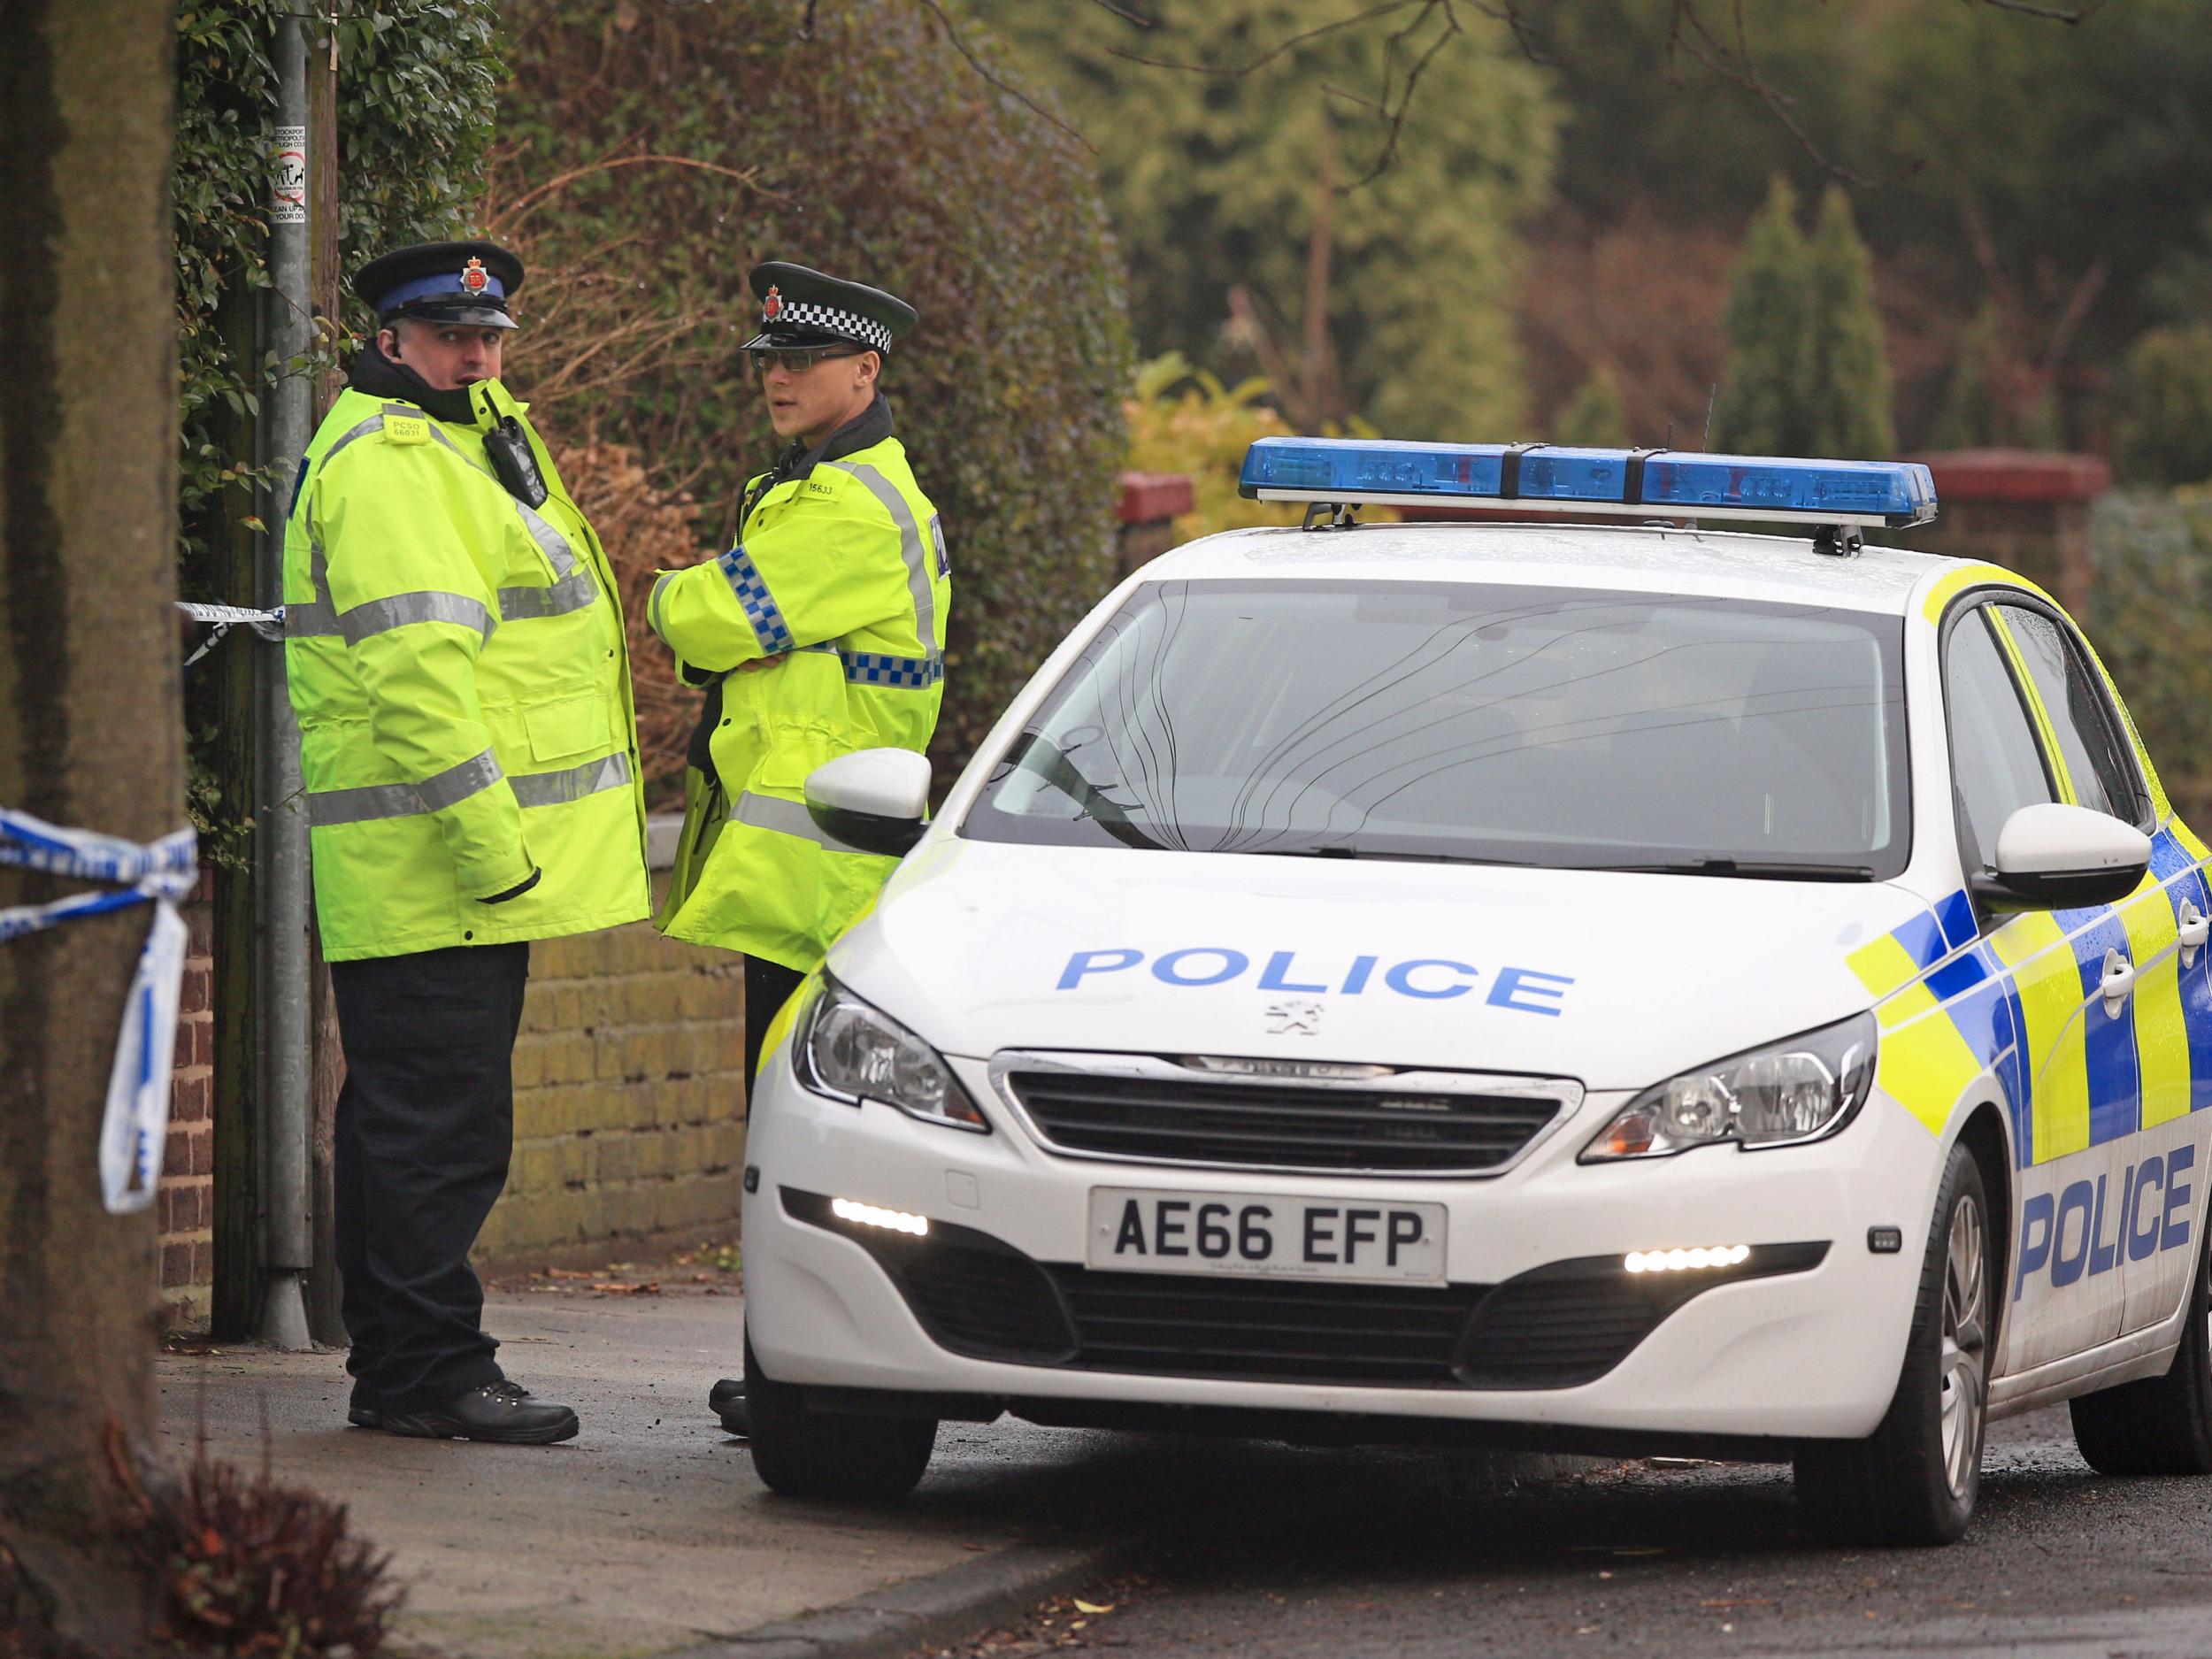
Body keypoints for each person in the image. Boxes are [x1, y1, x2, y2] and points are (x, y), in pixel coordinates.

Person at [282, 240, 649, 1443]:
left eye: (489, 336)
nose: (478, 354)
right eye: (452, 336)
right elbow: (421, 684)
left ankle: (405, 1364)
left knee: (413, 1119)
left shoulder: (466, 432)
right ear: (391, 339)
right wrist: (496, 849)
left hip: (445, 865)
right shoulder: (393, 463)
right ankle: (430, 1368)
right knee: (438, 1130)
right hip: (438, 862)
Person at [649, 262, 949, 1079]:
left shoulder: (848, 505)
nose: (778, 375)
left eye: (804, 357)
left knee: (797, 1106)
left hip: (821, 854)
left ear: (865, 369)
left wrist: (669, 596)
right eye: (768, 359)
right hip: (812, 843)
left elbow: (710, 615)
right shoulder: (815, 484)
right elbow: (737, 631)